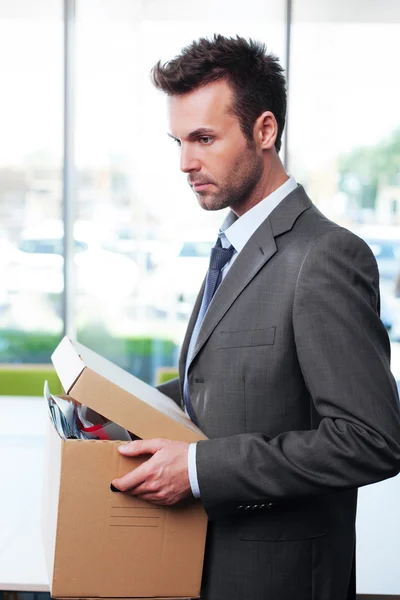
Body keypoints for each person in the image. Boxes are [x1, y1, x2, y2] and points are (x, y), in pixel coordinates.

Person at [112, 35, 400, 600]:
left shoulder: (325, 257)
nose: (185, 163)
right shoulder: (234, 243)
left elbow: (371, 440)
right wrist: (116, 407)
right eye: (178, 141)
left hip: (280, 581)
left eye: (203, 139)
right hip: (204, 566)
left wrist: (198, 470)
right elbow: (227, 385)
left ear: (264, 131)